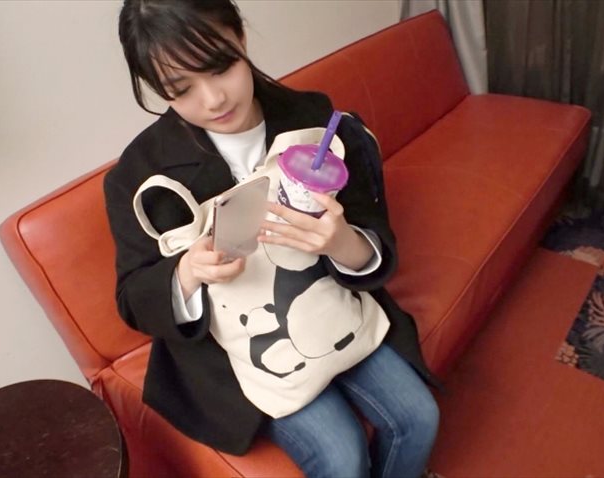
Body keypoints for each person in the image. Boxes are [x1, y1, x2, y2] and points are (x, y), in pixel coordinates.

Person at [105, 1, 440, 476]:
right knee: (341, 454)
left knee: (419, 416)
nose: (213, 100)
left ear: (240, 37)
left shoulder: (313, 119)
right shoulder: (139, 176)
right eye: (181, 89)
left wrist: (339, 241)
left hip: (328, 307)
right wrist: (187, 273)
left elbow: (372, 232)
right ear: (157, 89)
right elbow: (133, 297)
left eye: (221, 66)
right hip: (236, 350)